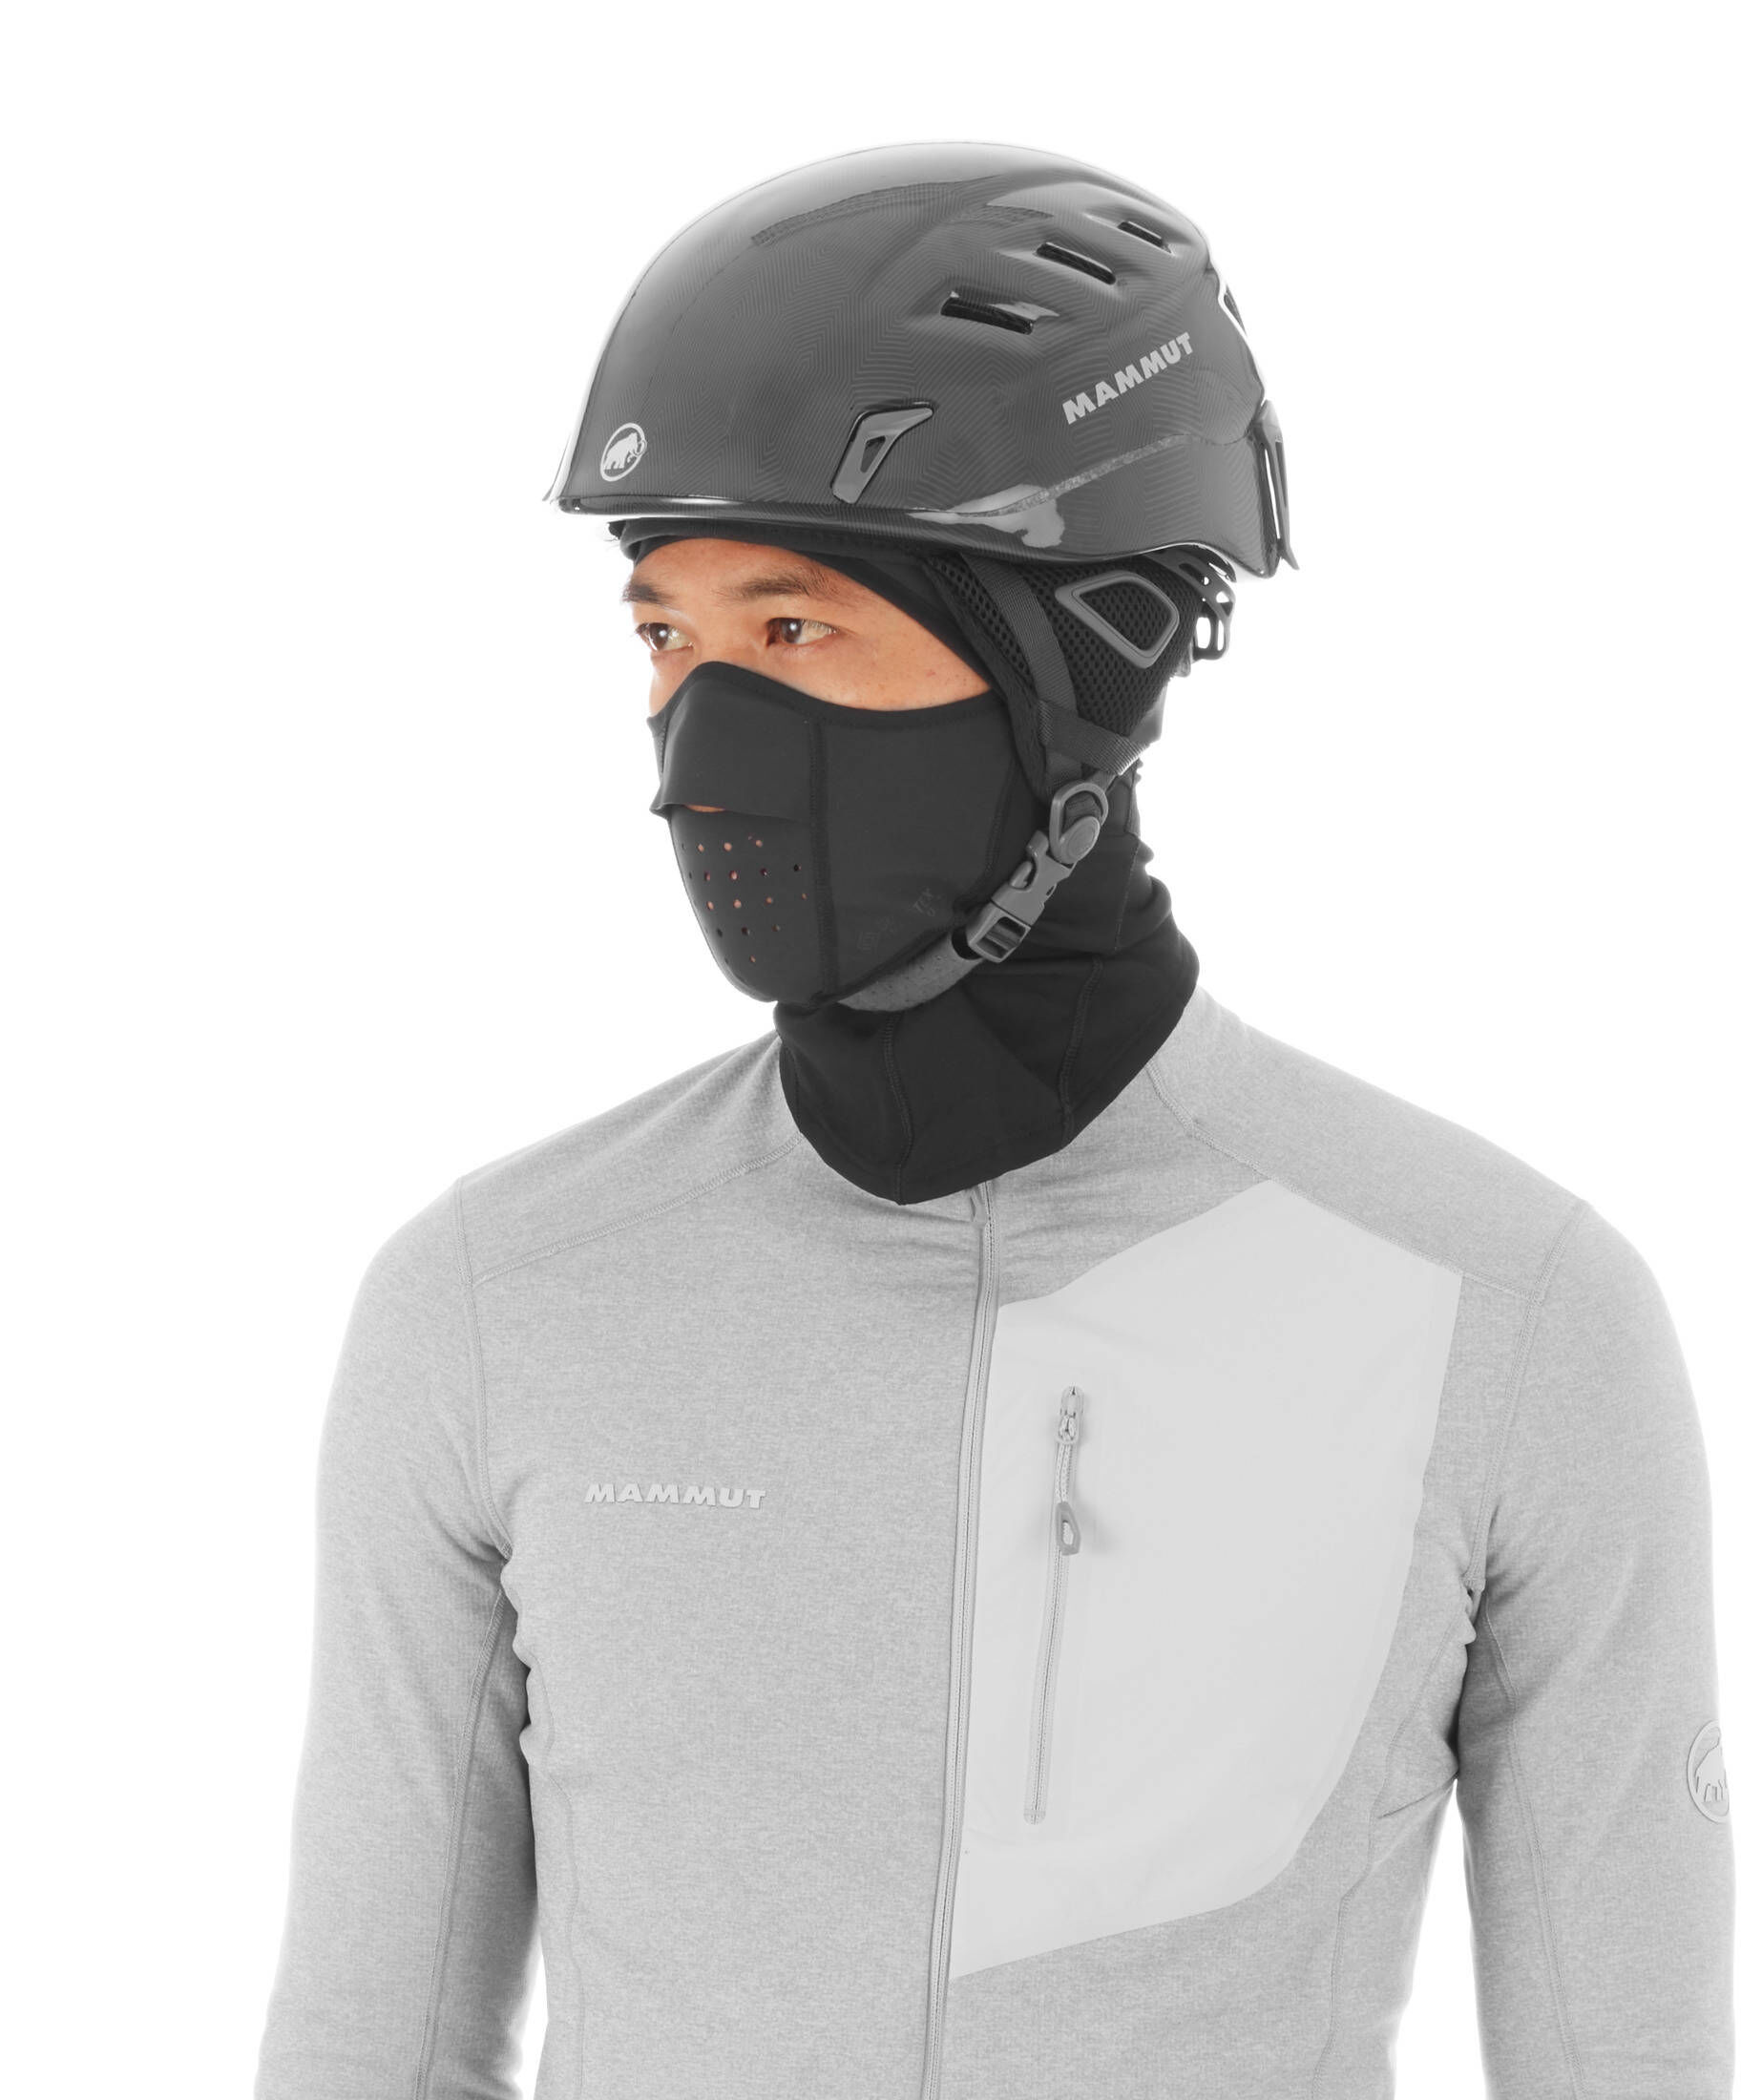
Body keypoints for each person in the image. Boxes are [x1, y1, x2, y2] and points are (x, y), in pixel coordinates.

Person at [253, 143, 1732, 2099]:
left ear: (1095, 656)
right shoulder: (495, 1298)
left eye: (796, 631)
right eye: (665, 637)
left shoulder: (1505, 1312)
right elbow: (364, 2056)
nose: (702, 748)